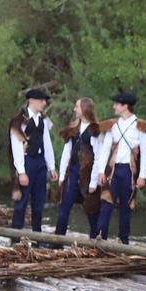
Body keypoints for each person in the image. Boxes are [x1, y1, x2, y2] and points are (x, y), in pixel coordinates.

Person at [91, 92, 146, 244]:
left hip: (129, 172)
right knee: (106, 203)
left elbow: (145, 152)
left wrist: (142, 175)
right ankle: (100, 239)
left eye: (117, 104)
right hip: (113, 171)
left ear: (125, 106)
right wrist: (100, 171)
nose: (114, 106)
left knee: (126, 207)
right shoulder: (113, 124)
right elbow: (105, 149)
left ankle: (123, 241)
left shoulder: (140, 125)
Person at [9, 88, 58, 231]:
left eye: (44, 101)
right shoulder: (19, 121)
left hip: (40, 162)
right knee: (22, 202)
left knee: (39, 200)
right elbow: (16, 147)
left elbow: (47, 144)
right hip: (26, 162)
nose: (44, 103)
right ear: (31, 100)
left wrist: (51, 166)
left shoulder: (43, 121)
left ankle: (37, 234)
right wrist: (21, 171)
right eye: (41, 100)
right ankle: (16, 235)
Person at [56, 98, 102, 238]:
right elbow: (66, 153)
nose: (74, 109)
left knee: (91, 210)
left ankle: (95, 243)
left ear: (84, 109)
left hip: (88, 175)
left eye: (77, 107)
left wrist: (93, 182)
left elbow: (99, 157)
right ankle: (57, 243)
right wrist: (62, 175)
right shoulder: (73, 129)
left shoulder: (94, 130)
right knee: (64, 208)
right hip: (73, 172)